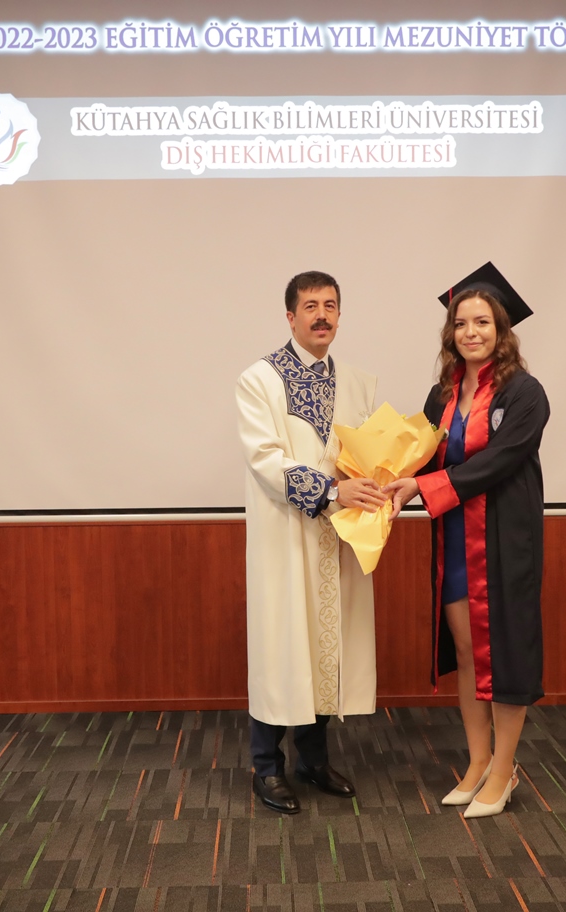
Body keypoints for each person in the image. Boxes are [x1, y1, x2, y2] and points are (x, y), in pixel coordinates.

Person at [384, 263, 549, 818]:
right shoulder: (443, 396)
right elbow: (422, 456)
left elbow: (498, 461)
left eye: (482, 322)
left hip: (503, 542)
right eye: (461, 323)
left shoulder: (525, 393)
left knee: (503, 655)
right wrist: (376, 476)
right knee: (466, 652)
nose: (470, 332)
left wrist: (424, 486)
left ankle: (504, 769)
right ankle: (478, 763)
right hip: (455, 540)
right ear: (450, 332)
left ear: (502, 329)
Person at [235, 270, 387, 815]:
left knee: (327, 648)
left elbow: (367, 455)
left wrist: (382, 483)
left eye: (330, 305)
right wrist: (331, 490)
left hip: (339, 538)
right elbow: (265, 459)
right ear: (290, 316)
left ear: (340, 316)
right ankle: (266, 767)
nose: (321, 315)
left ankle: (314, 760)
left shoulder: (358, 383)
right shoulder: (259, 380)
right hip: (287, 538)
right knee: (282, 647)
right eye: (310, 306)